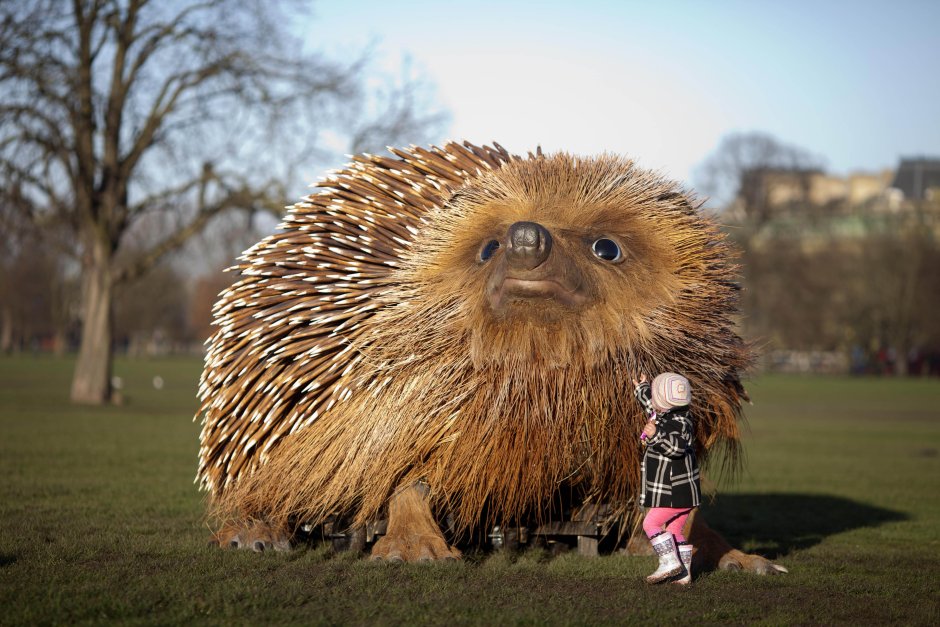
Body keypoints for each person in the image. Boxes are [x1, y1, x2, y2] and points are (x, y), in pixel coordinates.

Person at [632, 372, 700, 585]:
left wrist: (655, 435)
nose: (653, 404)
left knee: (651, 523)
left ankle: (669, 562)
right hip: (684, 493)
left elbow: (676, 447)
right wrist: (643, 388)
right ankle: (684, 574)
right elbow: (651, 406)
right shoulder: (667, 413)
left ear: (666, 403)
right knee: (673, 530)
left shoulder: (681, 423)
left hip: (675, 492)